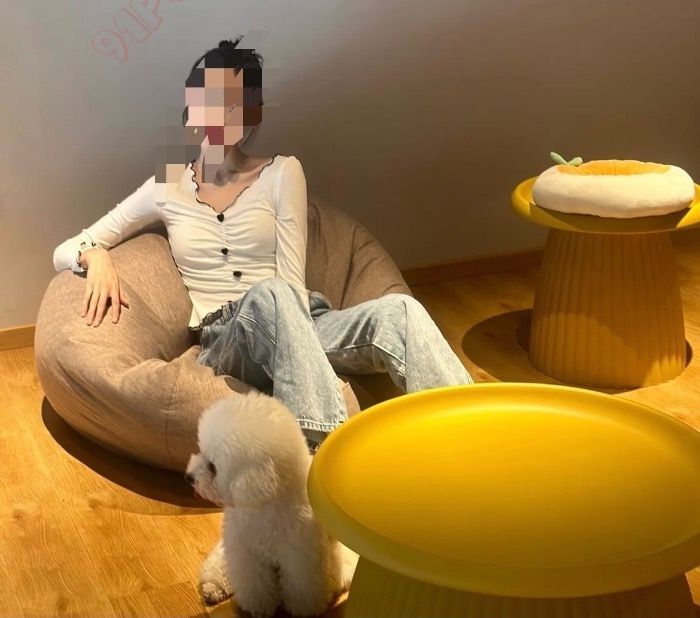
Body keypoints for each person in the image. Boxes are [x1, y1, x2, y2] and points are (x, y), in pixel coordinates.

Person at [53, 36, 474, 453]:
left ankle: (471, 434)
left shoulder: (283, 173)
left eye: (234, 104)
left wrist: (298, 335)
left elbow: (291, 279)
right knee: (272, 296)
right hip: (227, 339)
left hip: (300, 318)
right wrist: (96, 256)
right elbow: (67, 249)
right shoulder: (166, 185)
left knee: (399, 310)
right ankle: (326, 455)